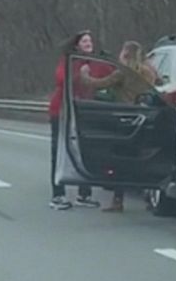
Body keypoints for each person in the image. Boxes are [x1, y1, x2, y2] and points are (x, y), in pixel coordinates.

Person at [80, 41, 157, 212]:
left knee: (120, 162)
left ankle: (118, 200)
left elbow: (97, 84)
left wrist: (84, 73)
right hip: (145, 118)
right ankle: (151, 197)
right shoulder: (148, 72)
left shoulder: (122, 73)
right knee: (142, 159)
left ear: (126, 54)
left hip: (123, 118)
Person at [49, 30, 102, 210]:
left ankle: (84, 195)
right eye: (85, 41)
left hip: (84, 112)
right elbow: (61, 79)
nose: (89, 43)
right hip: (62, 112)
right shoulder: (69, 61)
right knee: (59, 152)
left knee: (86, 152)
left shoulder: (96, 63)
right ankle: (58, 195)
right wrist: (80, 74)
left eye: (90, 40)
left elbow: (107, 80)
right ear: (77, 45)